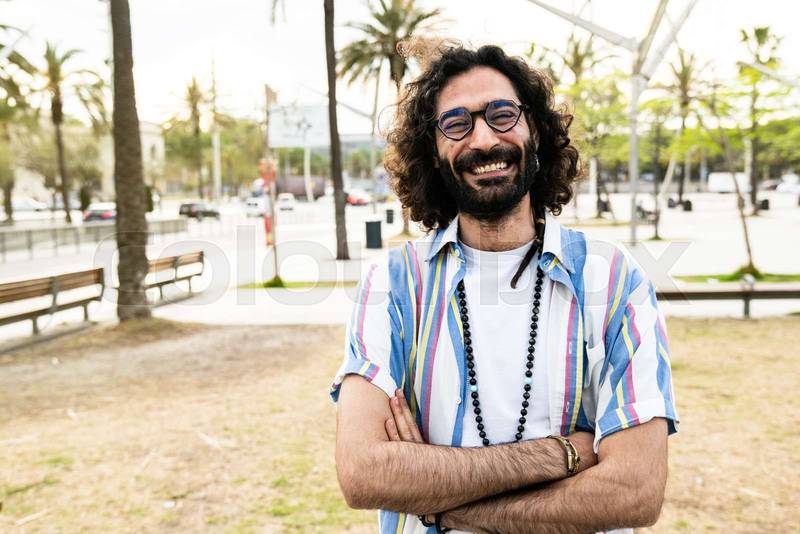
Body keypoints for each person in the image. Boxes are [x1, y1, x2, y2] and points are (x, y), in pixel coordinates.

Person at [331, 45, 678, 534]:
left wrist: (444, 504)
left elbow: (635, 492)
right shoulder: (393, 284)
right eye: (456, 123)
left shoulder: (613, 279)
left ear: (534, 127)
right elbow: (364, 474)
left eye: (501, 114)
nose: (483, 139)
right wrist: (563, 453)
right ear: (432, 150)